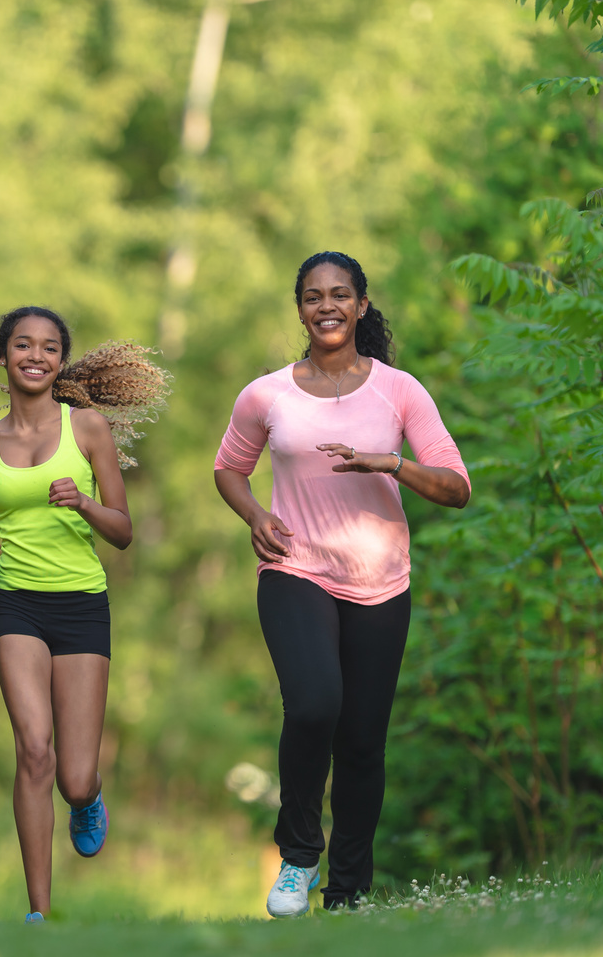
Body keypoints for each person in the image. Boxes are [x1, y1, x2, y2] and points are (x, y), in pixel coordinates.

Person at [212, 251, 471, 916]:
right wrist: (254, 516)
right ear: (298, 308)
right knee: (311, 706)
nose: (324, 306)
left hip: (380, 582)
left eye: (338, 295)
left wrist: (390, 463)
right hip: (295, 569)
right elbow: (229, 469)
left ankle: (348, 895)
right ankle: (298, 854)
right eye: (310, 296)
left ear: (360, 305)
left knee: (360, 740)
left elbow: (455, 487)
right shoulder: (266, 393)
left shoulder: (400, 391)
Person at [0, 307, 170, 923]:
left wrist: (81, 501)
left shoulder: (88, 430)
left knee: (73, 778)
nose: (35, 355)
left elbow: (125, 531)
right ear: (2, 356)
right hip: (18, 606)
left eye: (49, 347)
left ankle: (89, 799)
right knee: (33, 749)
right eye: (22, 344)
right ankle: (39, 913)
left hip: (81, 606)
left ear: (60, 360)